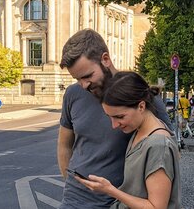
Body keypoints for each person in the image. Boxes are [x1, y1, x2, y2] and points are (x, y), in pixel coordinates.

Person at [58, 29, 173, 208]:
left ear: (105, 59)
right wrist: (69, 182)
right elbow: (64, 144)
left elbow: (164, 153)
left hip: (121, 201)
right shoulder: (73, 94)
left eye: (88, 76)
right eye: (78, 79)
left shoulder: (139, 94)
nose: (84, 85)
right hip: (74, 200)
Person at [75, 71, 181, 209]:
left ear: (141, 106)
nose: (114, 125)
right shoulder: (142, 131)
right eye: (109, 117)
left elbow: (155, 207)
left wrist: (110, 190)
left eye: (120, 117)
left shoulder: (158, 146)